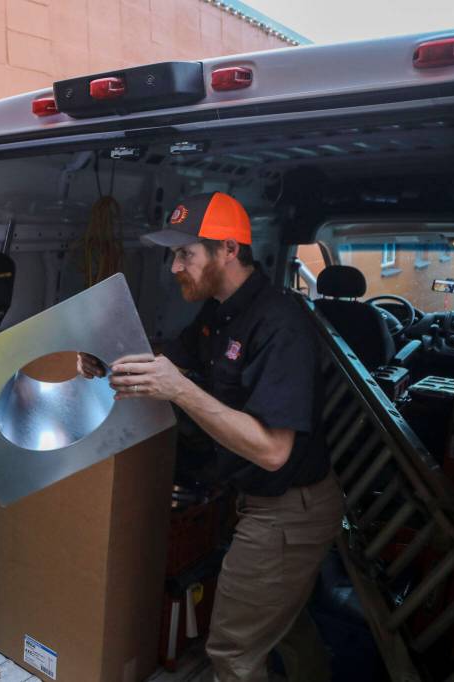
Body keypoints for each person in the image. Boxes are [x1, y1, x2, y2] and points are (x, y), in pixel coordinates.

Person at [80, 192, 342, 682]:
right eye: (172, 254)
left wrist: (178, 391)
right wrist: (112, 356)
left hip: (287, 511)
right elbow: (175, 357)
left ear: (227, 249)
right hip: (255, 501)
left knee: (232, 654)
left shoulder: (279, 325)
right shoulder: (221, 313)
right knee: (282, 626)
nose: (174, 267)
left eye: (185, 254)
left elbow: (272, 451)